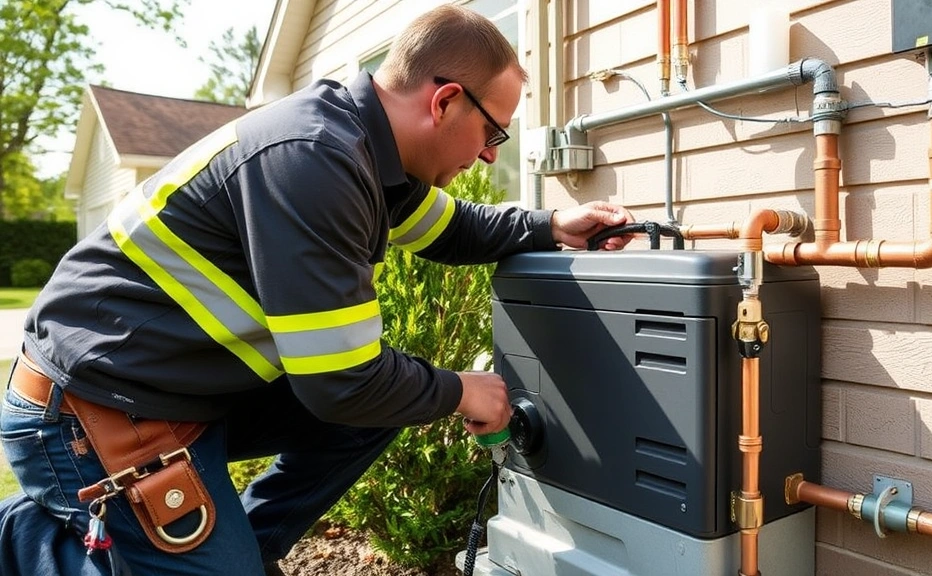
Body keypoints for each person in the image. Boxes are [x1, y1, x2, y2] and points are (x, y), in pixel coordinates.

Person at [0, 4, 634, 576]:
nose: (492, 156)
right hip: (89, 407)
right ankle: (26, 540)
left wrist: (552, 227)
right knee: (384, 391)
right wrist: (460, 389)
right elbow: (342, 381)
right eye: (493, 132)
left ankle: (245, 547)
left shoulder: (370, 153)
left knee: (389, 403)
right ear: (444, 102)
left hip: (173, 387)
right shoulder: (315, 160)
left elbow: (453, 229)